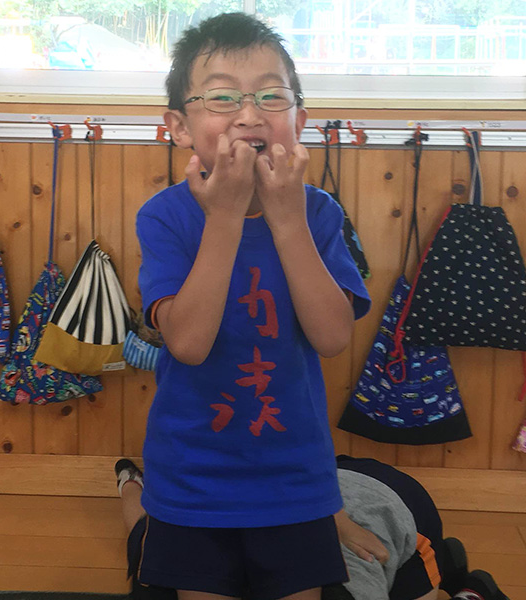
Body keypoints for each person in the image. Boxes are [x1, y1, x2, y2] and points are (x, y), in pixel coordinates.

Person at [134, 10, 378, 600]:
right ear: (179, 126)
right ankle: (131, 489)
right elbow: (188, 345)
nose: (249, 114)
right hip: (192, 474)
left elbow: (332, 338)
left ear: (299, 120)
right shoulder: (164, 217)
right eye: (222, 98)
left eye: (271, 96)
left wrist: (287, 219)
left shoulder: (318, 213)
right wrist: (224, 215)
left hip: (296, 475)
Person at [115, 457, 510, 600]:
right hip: (311, 485)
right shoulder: (166, 557)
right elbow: (139, 522)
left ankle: (453, 570)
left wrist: (130, 483)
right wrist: (128, 481)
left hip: (379, 494)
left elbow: (140, 523)